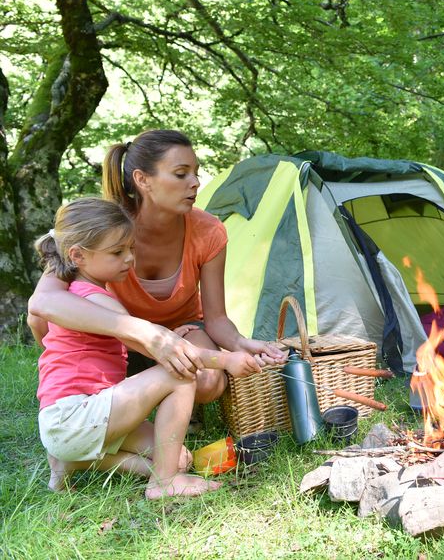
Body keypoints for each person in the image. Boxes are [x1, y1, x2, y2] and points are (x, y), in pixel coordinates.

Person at [28, 129, 285, 402]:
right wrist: (143, 332)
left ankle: (167, 387)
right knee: (41, 320)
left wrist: (240, 343)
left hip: (183, 330)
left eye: (196, 172)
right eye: (181, 173)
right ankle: (70, 381)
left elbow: (216, 319)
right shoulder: (102, 225)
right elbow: (42, 304)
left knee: (209, 382)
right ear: (142, 179)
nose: (195, 182)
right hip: (113, 334)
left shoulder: (209, 231)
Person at [35, 197, 261, 497]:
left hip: (71, 419)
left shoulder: (78, 296)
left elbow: (145, 338)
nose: (129, 259)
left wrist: (170, 336)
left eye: (130, 248)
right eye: (117, 252)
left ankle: (74, 461)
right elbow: (152, 344)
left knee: (179, 458)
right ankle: (164, 483)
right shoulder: (94, 298)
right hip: (77, 415)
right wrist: (226, 359)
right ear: (77, 256)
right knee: (181, 373)